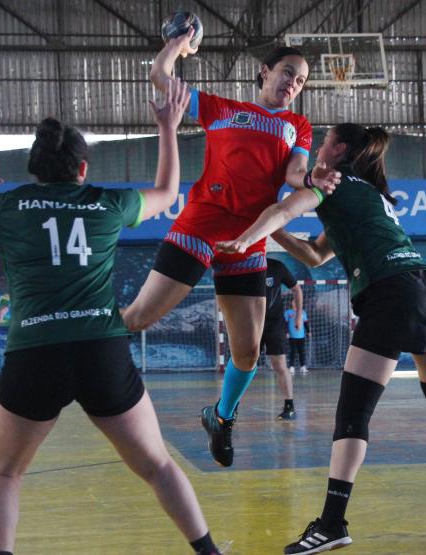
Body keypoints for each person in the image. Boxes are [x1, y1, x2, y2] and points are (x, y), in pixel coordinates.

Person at [0, 84, 222, 555]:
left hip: (33, 353)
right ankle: (207, 550)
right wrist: (167, 126)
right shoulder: (106, 202)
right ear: (83, 169)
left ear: (34, 169)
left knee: (4, 472)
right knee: (157, 465)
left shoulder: (7, 205)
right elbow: (167, 192)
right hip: (99, 349)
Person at [215, 123, 426, 552]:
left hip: (391, 292)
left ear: (338, 151)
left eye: (324, 143)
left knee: (353, 412)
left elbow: (284, 210)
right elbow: (316, 255)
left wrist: (247, 237)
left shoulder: (332, 184)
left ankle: (332, 523)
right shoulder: (367, 195)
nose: (318, 149)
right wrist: (271, 232)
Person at [120, 27, 339, 468]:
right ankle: (72, 341)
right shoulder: (222, 109)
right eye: (287, 73)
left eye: (299, 81)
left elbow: (295, 173)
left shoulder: (296, 125)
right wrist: (178, 46)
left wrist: (313, 178)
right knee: (140, 317)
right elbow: (161, 75)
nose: (292, 84)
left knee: (247, 351)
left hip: (250, 235)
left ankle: (221, 417)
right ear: (265, 72)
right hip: (201, 224)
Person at [263, 257, 303, 420]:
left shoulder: (277, 266)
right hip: (251, 323)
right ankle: (230, 408)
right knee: (244, 366)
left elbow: (296, 289)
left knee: (280, 364)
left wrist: (298, 316)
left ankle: (289, 406)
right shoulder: (243, 266)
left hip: (274, 324)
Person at [285, 304, 309, 373]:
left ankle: (303, 366)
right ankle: (291, 367)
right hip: (292, 336)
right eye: (293, 301)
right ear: (291, 303)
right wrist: (286, 332)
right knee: (293, 351)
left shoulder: (303, 312)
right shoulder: (288, 312)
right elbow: (285, 323)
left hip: (301, 336)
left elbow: (306, 323)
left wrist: (308, 331)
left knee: (302, 351)